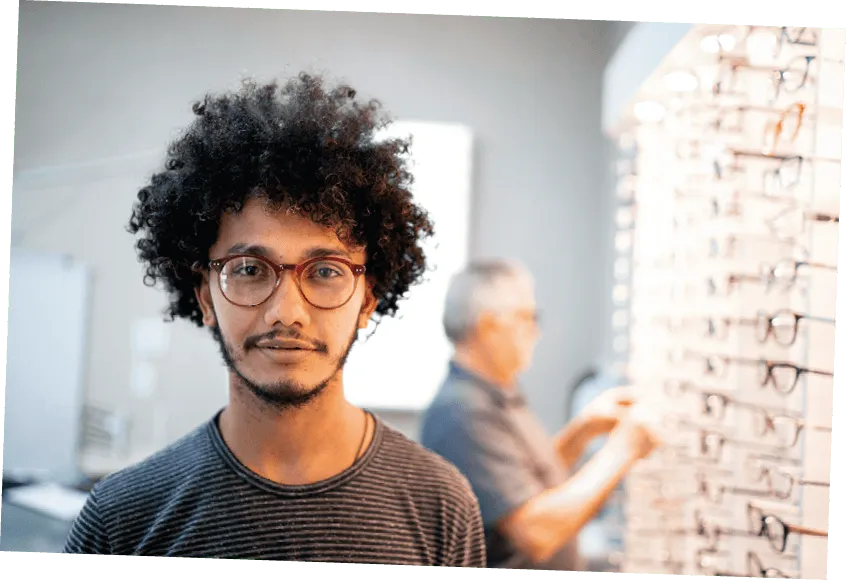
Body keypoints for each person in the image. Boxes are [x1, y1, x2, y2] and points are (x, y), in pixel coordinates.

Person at [63, 73, 487, 567]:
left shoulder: (441, 506)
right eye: (249, 270)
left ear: (368, 299)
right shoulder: (122, 520)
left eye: (325, 271)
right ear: (204, 297)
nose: (287, 311)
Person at [420, 261, 661, 571]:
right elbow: (536, 532)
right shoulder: (463, 414)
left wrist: (582, 431)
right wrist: (623, 450)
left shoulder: (495, 396)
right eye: (527, 317)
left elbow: (525, 483)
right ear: (489, 326)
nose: (535, 331)